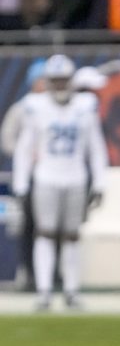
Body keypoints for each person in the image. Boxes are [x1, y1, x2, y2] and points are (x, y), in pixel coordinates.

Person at [12, 54, 109, 310]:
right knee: (43, 235)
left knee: (72, 237)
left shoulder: (85, 105)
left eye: (63, 80)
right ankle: (44, 291)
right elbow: (24, 148)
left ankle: (71, 291)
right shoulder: (34, 105)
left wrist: (99, 182)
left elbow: (96, 147)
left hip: (75, 177)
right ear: (47, 81)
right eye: (54, 81)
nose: (59, 86)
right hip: (46, 177)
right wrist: (21, 184)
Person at [1, 58, 47, 292]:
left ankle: (50, 276)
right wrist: (26, 153)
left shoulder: (56, 107)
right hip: (29, 178)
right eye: (43, 80)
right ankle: (28, 273)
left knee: (51, 229)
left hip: (51, 176)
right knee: (28, 228)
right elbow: (7, 139)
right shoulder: (22, 108)